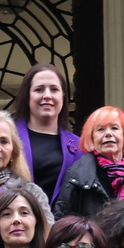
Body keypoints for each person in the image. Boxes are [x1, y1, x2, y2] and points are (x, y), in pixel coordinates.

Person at [56, 106, 124, 225]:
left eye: (114, 128)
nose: (108, 134)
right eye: (100, 130)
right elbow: (62, 218)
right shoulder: (78, 174)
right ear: (92, 137)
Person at [11, 62, 82, 203]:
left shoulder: (79, 147)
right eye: (39, 90)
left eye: (54, 89)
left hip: (61, 223)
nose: (47, 95)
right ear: (27, 96)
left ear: (63, 97)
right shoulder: (7, 137)